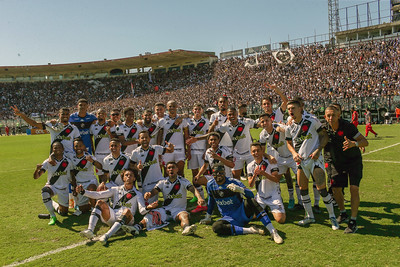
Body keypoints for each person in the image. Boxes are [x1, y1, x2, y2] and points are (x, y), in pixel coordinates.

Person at [285, 100, 339, 230]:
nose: (290, 111)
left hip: (315, 160)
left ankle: (332, 217)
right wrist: (293, 153)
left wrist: (318, 149)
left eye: (293, 108)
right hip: (301, 161)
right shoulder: (289, 126)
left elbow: (324, 136)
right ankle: (309, 216)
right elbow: (288, 143)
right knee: (303, 189)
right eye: (288, 109)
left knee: (322, 189)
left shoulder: (312, 120)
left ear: (300, 108)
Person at [199, 164, 283, 244]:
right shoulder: (210, 185)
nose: (218, 176)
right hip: (228, 218)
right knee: (216, 227)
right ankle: (250, 230)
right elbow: (211, 200)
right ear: (212, 175)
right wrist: (208, 217)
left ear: (224, 173)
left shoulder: (233, 182)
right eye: (215, 174)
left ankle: (273, 231)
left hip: (243, 213)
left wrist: (240, 190)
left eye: (221, 173)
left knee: (251, 201)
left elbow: (251, 195)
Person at [78, 169, 157, 245]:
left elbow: (142, 211)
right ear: (123, 178)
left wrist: (148, 207)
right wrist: (83, 192)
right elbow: (99, 195)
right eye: (126, 175)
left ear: (134, 178)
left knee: (126, 210)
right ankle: (90, 230)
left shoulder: (138, 194)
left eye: (131, 175)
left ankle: (107, 236)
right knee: (99, 202)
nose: (128, 176)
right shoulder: (115, 189)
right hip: (113, 216)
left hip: (128, 220)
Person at [124, 162, 205, 236]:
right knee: (151, 215)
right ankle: (137, 228)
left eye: (173, 167)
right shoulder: (162, 182)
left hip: (178, 210)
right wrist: (148, 194)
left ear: (177, 169)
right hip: (165, 210)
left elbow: (193, 189)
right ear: (166, 171)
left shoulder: (183, 181)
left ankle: (187, 228)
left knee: (184, 215)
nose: (171, 169)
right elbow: (154, 192)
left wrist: (199, 198)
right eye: (169, 168)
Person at [324, 105, 369, 233]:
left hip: (353, 161)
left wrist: (354, 144)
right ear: (325, 116)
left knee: (353, 189)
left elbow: (365, 141)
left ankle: (353, 221)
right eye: (328, 115)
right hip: (337, 163)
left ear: (339, 115)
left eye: (333, 115)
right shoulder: (323, 127)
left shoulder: (348, 127)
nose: (331, 118)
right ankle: (343, 213)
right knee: (336, 188)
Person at [258, 113, 301, 211]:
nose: (265, 123)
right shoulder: (263, 134)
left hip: (293, 157)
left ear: (271, 120)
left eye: (266, 120)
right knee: (275, 180)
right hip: (281, 158)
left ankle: (301, 202)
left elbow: (292, 132)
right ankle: (282, 199)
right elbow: (262, 151)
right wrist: (268, 156)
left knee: (300, 180)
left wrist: (284, 129)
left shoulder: (279, 127)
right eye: (262, 121)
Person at [191, 132, 235, 213]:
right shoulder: (208, 151)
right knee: (196, 181)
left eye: (215, 140)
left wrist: (219, 157)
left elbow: (232, 165)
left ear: (219, 141)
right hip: (214, 177)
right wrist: (198, 175)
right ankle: (203, 204)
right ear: (208, 141)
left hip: (226, 178)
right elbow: (205, 165)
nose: (213, 141)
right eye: (211, 140)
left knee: (227, 202)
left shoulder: (225, 150)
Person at [11, 105, 80, 154]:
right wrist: (21, 115)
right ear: (59, 115)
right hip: (55, 158)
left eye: (67, 114)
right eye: (63, 114)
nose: (65, 116)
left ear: (69, 115)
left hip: (70, 158)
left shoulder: (74, 128)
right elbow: (34, 123)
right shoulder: (52, 124)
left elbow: (78, 144)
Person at [33, 142, 74, 225]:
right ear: (52, 149)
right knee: (45, 192)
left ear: (63, 149)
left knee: (64, 213)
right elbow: (36, 177)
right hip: (52, 186)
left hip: (64, 188)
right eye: (55, 148)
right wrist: (37, 169)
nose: (57, 149)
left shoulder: (68, 161)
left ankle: (52, 203)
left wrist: (74, 187)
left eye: (59, 147)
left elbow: (72, 177)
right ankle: (52, 215)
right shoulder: (48, 161)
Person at [130, 131, 174, 203]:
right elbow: (131, 166)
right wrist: (137, 167)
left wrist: (171, 147)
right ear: (139, 140)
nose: (144, 139)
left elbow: (170, 150)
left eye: (146, 137)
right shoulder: (135, 152)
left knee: (171, 197)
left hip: (159, 180)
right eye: (142, 138)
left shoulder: (156, 148)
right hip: (147, 184)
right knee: (148, 205)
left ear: (150, 139)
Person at [247, 143, 286, 224]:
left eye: (258, 150)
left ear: (262, 151)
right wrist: (255, 175)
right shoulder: (250, 166)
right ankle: (264, 208)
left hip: (273, 195)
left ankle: (275, 204)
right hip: (260, 197)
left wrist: (264, 173)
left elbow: (276, 179)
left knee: (280, 220)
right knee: (250, 216)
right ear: (251, 153)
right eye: (254, 151)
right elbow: (250, 185)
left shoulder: (271, 162)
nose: (256, 153)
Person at [69, 138, 102, 215]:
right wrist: (74, 187)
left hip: (91, 182)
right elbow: (72, 173)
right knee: (82, 209)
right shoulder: (72, 158)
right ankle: (95, 204)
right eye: (76, 146)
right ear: (74, 147)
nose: (78, 148)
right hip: (80, 185)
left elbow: (100, 167)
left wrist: (92, 161)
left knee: (91, 189)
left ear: (84, 146)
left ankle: (95, 210)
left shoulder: (89, 156)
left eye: (80, 146)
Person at [157, 100, 190, 176]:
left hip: (180, 149)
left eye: (173, 106)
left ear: (176, 107)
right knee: (166, 173)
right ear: (167, 108)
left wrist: (187, 149)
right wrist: (159, 150)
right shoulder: (162, 121)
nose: (172, 108)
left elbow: (186, 136)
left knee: (180, 172)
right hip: (167, 150)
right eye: (170, 106)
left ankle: (181, 188)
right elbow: (159, 136)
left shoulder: (183, 120)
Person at [186, 103, 209, 202]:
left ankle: (210, 195)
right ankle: (199, 196)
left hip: (203, 152)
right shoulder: (188, 122)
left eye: (199, 109)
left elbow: (208, 137)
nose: (197, 111)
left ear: (202, 110)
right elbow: (187, 138)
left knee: (206, 174)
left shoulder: (206, 122)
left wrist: (206, 151)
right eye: (195, 109)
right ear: (192, 110)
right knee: (194, 173)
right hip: (193, 152)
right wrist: (188, 151)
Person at [90, 108, 112, 182]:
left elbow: (115, 139)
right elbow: (90, 140)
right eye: (99, 113)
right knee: (100, 176)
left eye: (102, 113)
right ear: (96, 115)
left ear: (106, 115)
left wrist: (109, 133)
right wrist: (93, 151)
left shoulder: (110, 125)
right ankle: (102, 192)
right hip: (98, 154)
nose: (101, 115)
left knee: (109, 175)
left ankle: (110, 192)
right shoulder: (93, 126)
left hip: (108, 153)